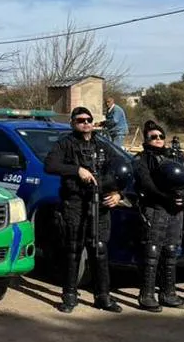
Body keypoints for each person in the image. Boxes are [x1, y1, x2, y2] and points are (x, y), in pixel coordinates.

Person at [44, 106, 124, 314]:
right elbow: (50, 165)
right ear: (73, 123)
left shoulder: (102, 145)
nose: (85, 123)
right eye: (80, 120)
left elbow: (122, 169)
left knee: (99, 250)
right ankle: (70, 295)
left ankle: (103, 296)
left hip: (99, 203)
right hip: (75, 203)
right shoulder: (65, 144)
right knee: (73, 249)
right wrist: (76, 170)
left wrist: (118, 194)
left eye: (88, 120)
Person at [132, 120, 184, 311]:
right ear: (146, 139)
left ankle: (168, 293)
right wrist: (167, 198)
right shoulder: (142, 159)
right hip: (155, 208)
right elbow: (146, 184)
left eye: (161, 136)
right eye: (153, 137)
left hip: (175, 211)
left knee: (171, 251)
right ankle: (147, 295)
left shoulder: (174, 157)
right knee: (152, 253)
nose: (158, 140)